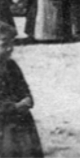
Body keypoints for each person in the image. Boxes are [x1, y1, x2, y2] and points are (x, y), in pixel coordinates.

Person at [0, 21, 44, 158]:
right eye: (4, 44)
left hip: (20, 121)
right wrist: (15, 107)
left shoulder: (11, 65)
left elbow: (24, 88)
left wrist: (27, 99)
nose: (10, 48)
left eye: (12, 43)